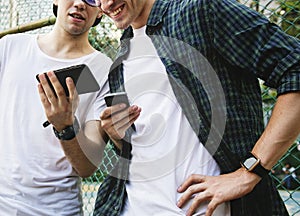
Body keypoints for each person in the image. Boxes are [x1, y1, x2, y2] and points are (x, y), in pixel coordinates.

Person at [93, 0, 300, 216]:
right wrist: (118, 136)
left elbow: (294, 66)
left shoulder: (200, 10)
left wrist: (249, 171)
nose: (105, 4)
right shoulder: (120, 59)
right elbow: (145, 145)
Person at [0, 0, 112, 215]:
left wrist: (65, 127)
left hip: (55, 209)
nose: (80, 3)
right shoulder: (9, 47)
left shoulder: (104, 70)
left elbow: (87, 168)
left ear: (100, 12)